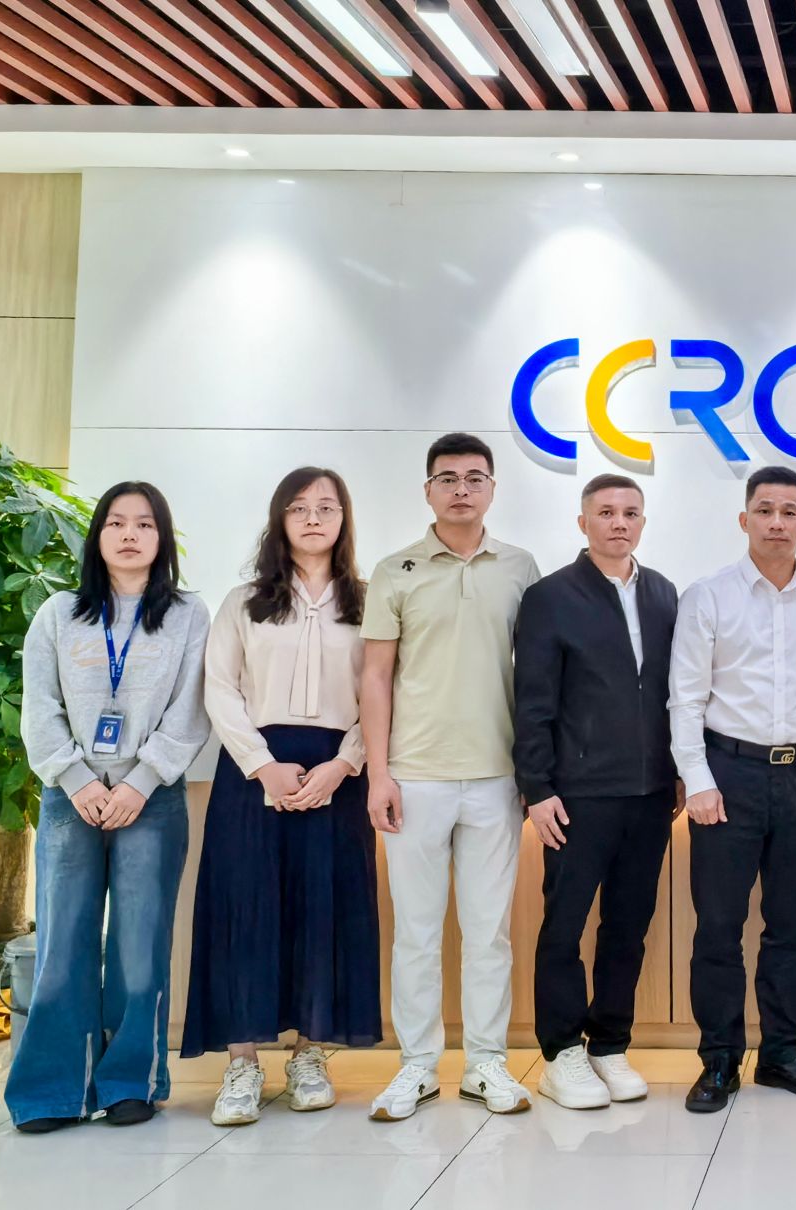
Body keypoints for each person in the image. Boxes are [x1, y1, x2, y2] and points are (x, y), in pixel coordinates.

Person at [11, 483, 210, 1132]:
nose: (130, 534)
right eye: (116, 523)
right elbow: (40, 709)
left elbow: (191, 709)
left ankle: (130, 1083)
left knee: (139, 947)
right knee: (62, 944)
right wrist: (77, 780)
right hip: (70, 797)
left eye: (145, 524)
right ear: (97, 536)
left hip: (150, 799)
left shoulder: (187, 615)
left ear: (162, 538)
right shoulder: (57, 614)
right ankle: (51, 1092)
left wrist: (139, 783)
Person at [186, 467, 379, 1126]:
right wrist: (263, 766)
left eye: (327, 507)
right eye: (299, 507)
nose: (314, 518)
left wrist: (345, 764)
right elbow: (219, 689)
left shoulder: (370, 601)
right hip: (252, 775)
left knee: (326, 912)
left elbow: (385, 691)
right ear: (280, 519)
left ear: (344, 519)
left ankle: (310, 1056)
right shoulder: (243, 601)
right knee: (245, 910)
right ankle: (242, 1064)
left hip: (339, 775)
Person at [670, 466, 796, 1114]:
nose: (777, 522)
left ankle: (783, 1054)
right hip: (729, 775)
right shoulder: (708, 596)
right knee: (718, 928)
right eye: (765, 510)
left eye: (788, 512)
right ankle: (720, 1060)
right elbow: (685, 699)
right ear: (744, 519)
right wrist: (698, 779)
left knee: (793, 927)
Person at [360, 433, 540, 1121]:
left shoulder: (521, 568)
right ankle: (416, 1066)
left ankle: (487, 1063)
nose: (461, 489)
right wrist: (379, 774)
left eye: (474, 478)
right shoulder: (395, 570)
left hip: (497, 777)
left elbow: (537, 678)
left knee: (489, 932)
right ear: (428, 490)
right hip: (414, 778)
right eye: (447, 478)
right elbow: (375, 678)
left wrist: (534, 773)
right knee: (416, 932)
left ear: (492, 488)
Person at [515, 474, 679, 1110]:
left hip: (650, 793)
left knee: (627, 927)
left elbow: (674, 692)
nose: (619, 523)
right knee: (565, 924)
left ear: (643, 522)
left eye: (630, 513)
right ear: (582, 522)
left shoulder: (663, 593)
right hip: (576, 795)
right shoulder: (550, 596)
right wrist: (537, 787)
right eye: (606, 512)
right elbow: (533, 702)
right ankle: (561, 1052)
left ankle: (610, 1043)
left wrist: (677, 771)